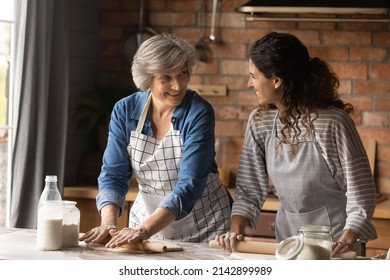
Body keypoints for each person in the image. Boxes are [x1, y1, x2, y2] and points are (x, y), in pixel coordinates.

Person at [215, 31, 377, 257]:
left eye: (254, 76)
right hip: (289, 243)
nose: (249, 83)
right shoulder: (260, 121)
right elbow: (249, 189)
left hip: (336, 244)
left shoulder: (332, 122)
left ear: (276, 80)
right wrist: (234, 232)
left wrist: (346, 241)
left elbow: (361, 192)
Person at [80, 33, 232, 247]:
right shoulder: (125, 110)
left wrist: (144, 229)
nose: (178, 86)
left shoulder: (199, 112)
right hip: (144, 225)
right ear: (147, 78)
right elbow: (113, 173)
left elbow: (190, 184)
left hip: (206, 226)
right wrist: (108, 223)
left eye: (183, 74)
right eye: (166, 78)